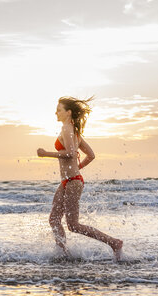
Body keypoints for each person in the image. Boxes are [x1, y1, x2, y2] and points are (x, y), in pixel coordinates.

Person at [37, 96, 123, 261]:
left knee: (73, 225)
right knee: (54, 219)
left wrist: (46, 154)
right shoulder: (74, 131)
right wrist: (78, 169)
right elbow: (91, 155)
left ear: (68, 112)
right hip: (69, 181)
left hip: (73, 181)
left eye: (59, 109)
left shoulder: (67, 129)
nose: (56, 112)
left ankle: (114, 243)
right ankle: (63, 254)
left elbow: (69, 153)